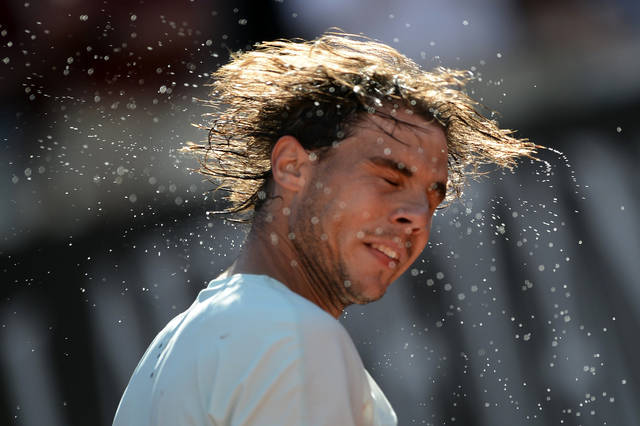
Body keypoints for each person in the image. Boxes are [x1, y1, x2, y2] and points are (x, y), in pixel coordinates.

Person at [113, 33, 537, 425]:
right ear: (292, 167)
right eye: (389, 180)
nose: (418, 217)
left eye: (432, 198)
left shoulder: (180, 341)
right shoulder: (291, 336)